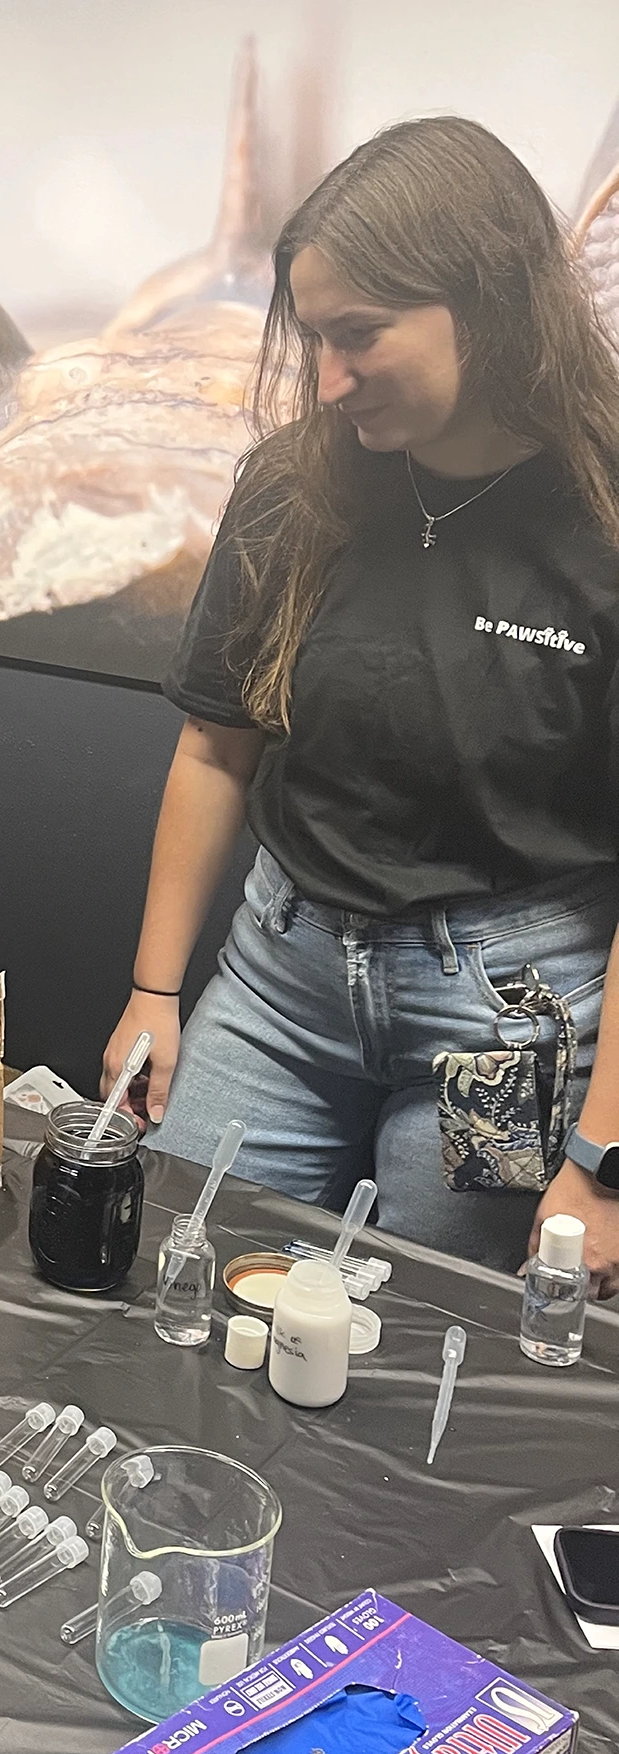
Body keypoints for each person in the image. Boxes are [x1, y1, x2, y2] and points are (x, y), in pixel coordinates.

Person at [103, 117, 619, 1294]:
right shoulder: (295, 486)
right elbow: (211, 746)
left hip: (505, 1023)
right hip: (279, 980)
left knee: (428, 1340)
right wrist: (150, 992)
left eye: (357, 338)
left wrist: (597, 1158)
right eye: (313, 339)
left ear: (482, 306)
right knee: (175, 1282)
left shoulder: (600, 517)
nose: (326, 380)